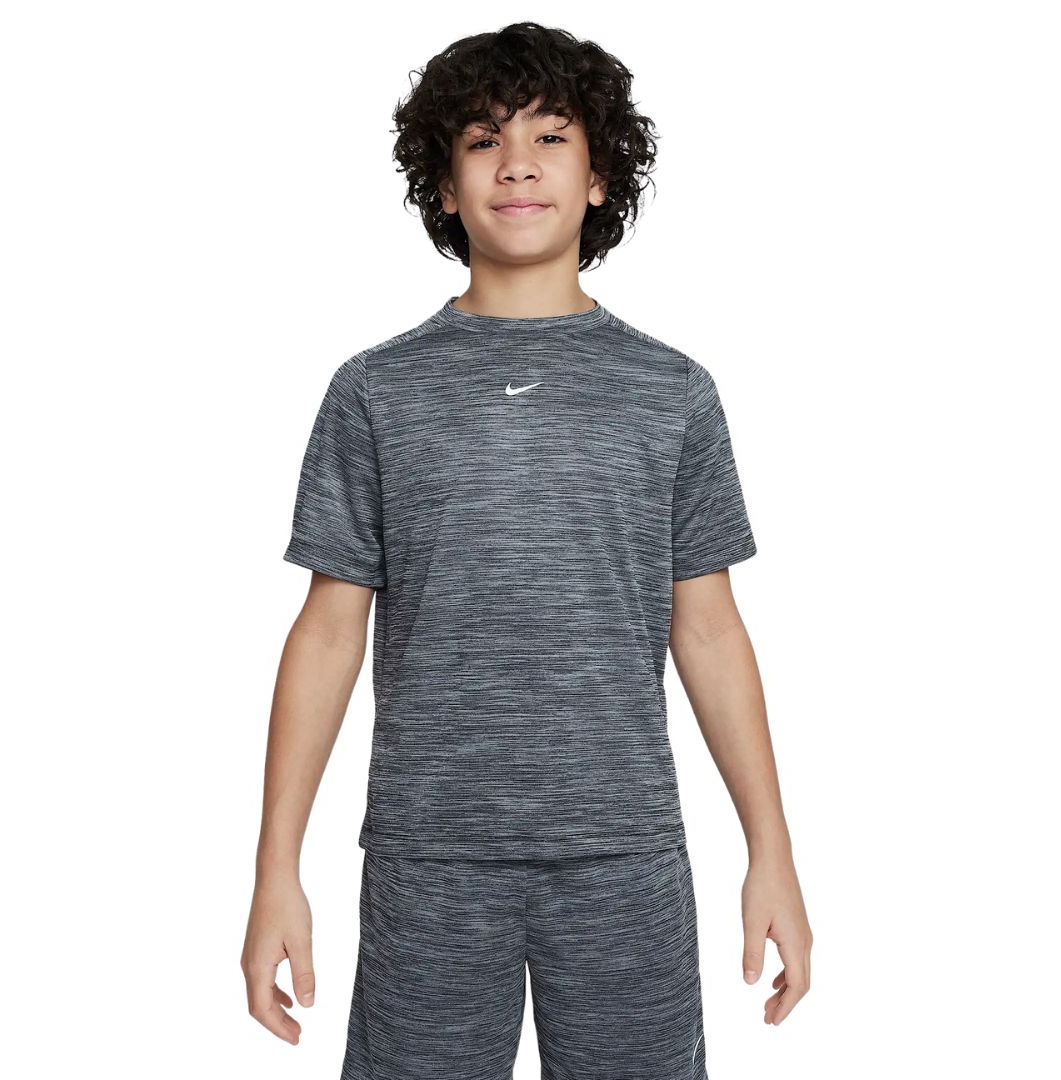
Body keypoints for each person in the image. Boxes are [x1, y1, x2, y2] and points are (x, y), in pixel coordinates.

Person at [241, 21, 812, 1079]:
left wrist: (769, 849)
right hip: (430, 857)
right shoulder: (376, 391)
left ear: (599, 177)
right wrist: (276, 868)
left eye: (551, 137)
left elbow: (710, 629)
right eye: (482, 140)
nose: (516, 164)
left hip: (624, 854)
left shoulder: (672, 393)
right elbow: (326, 634)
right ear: (444, 186)